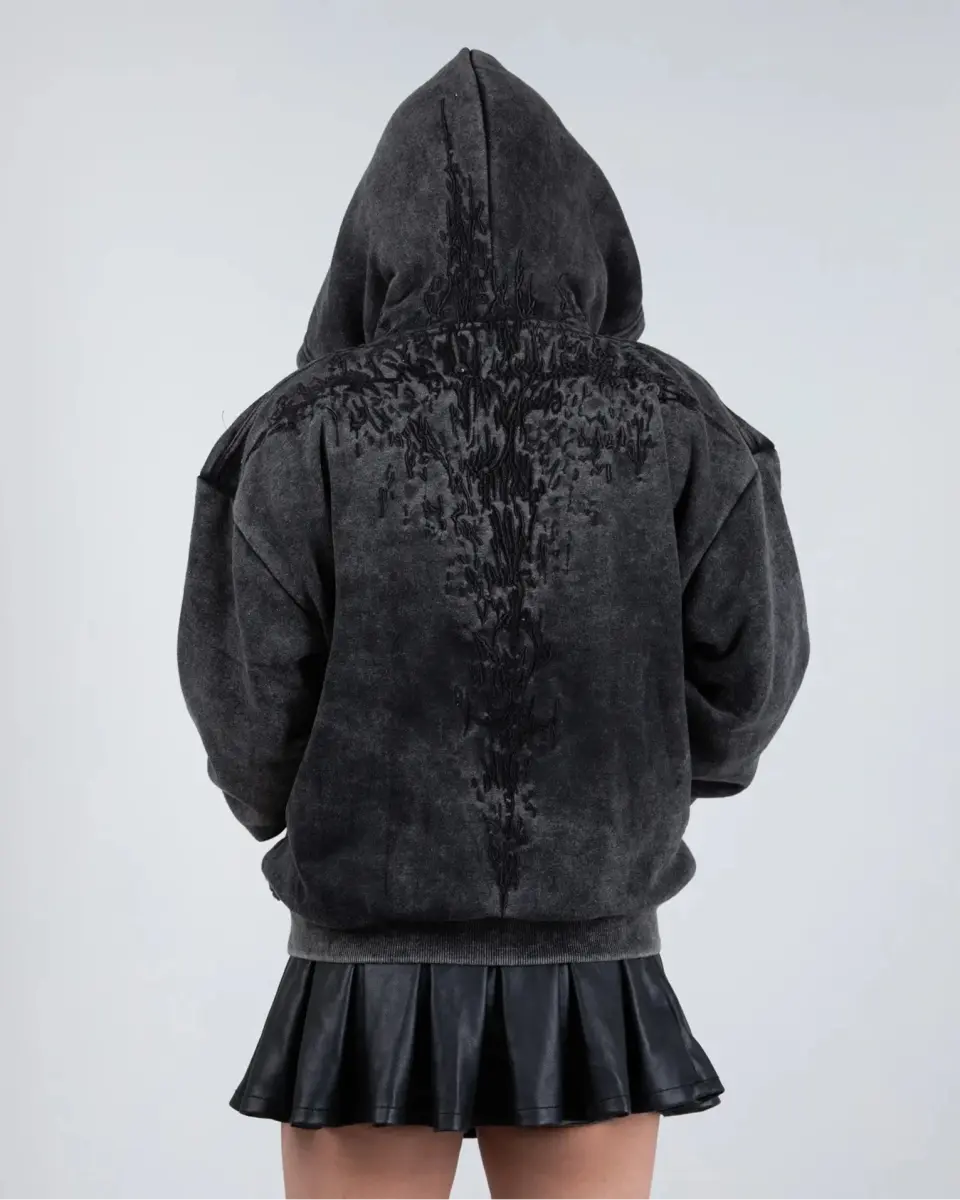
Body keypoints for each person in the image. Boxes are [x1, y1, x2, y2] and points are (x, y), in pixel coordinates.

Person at [176, 46, 810, 1200]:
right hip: (590, 951)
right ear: (589, 229)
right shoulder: (681, 423)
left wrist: (298, 801)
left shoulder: (296, 433)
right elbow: (753, 676)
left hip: (365, 967)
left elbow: (246, 702)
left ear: (372, 243)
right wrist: (643, 785)